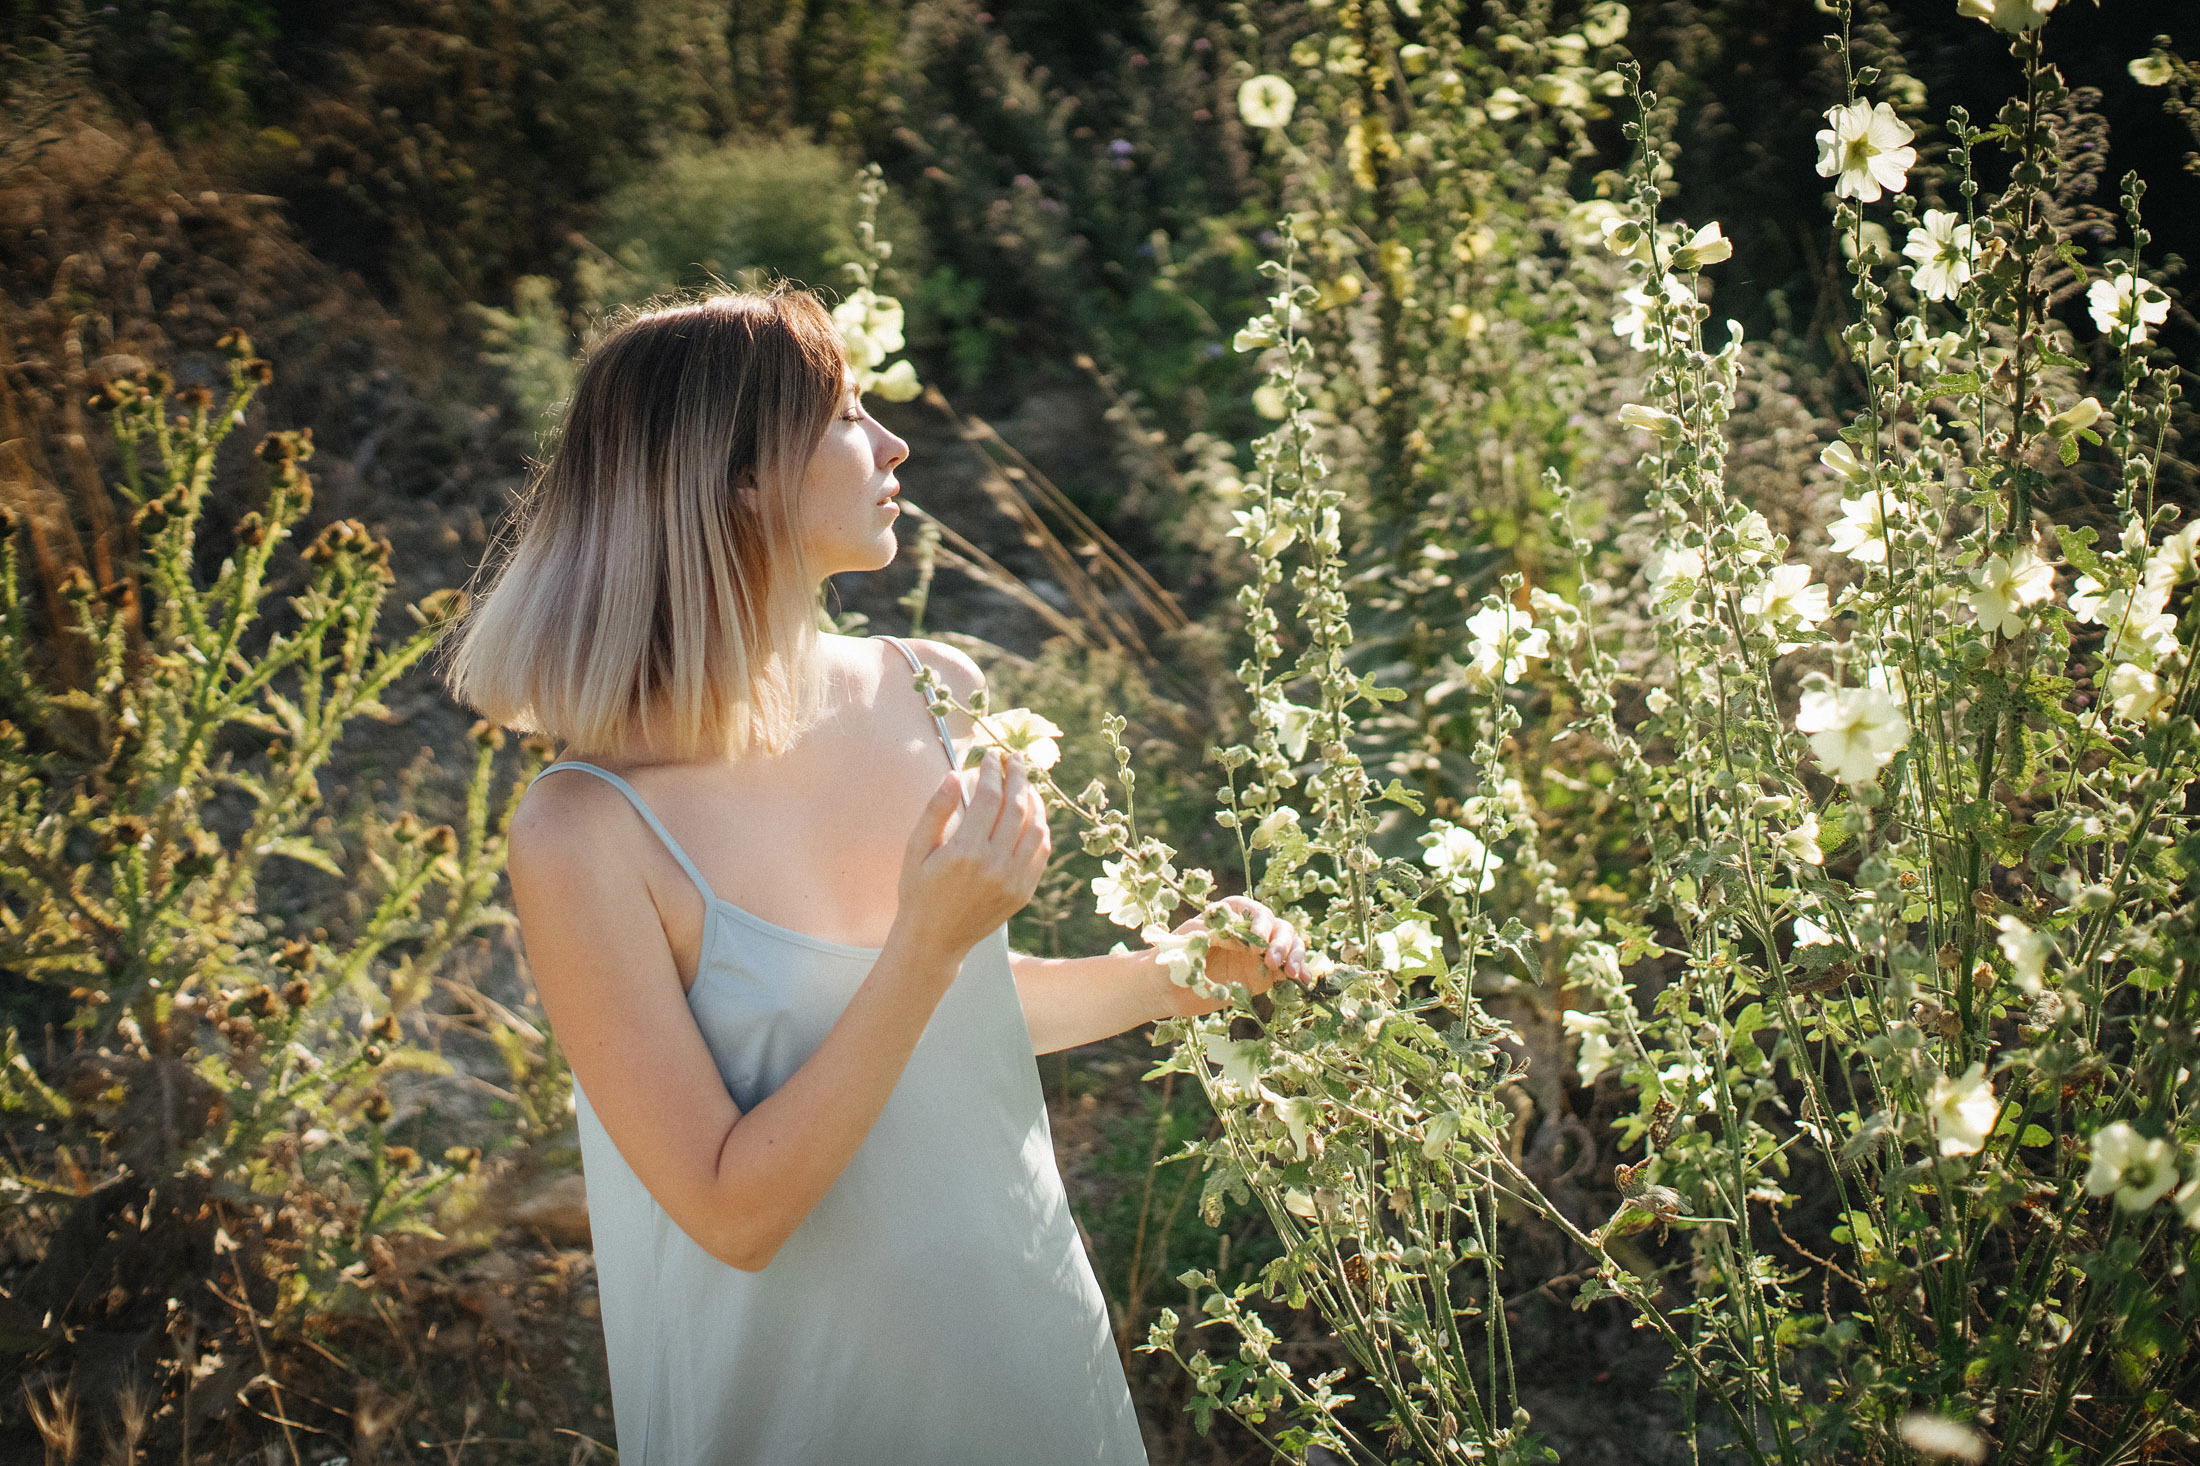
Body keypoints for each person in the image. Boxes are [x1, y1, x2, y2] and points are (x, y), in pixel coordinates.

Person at [439, 286, 1307, 1465]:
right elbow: (733, 1211)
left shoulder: (929, 685)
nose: (894, 443)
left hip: (1027, 1349)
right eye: (848, 413)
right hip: (799, 1409)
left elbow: (963, 1008)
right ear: (740, 479)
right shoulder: (584, 828)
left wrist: (1174, 972)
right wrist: (927, 944)